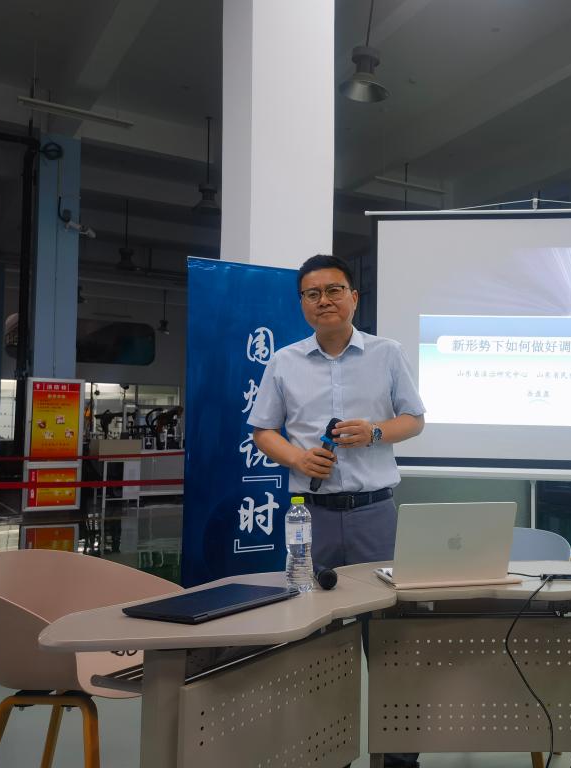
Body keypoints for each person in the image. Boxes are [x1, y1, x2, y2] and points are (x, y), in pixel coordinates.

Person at [248, 254, 424, 768]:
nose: (323, 300)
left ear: (353, 297)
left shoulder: (387, 353)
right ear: (302, 304)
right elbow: (263, 430)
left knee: (390, 639)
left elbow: (414, 419)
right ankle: (327, 754)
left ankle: (399, 759)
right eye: (312, 294)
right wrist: (297, 458)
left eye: (333, 290)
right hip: (311, 518)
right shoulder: (284, 362)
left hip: (375, 515)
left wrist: (374, 432)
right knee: (316, 643)